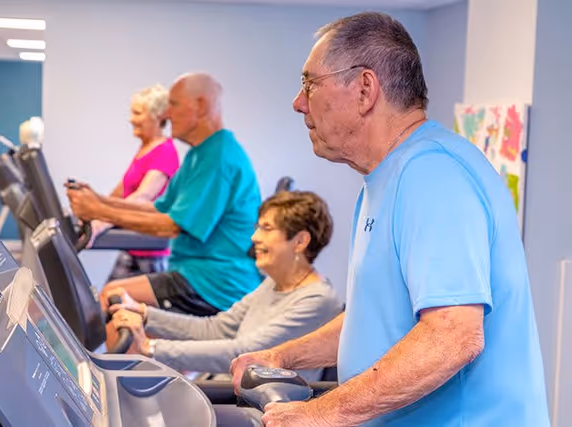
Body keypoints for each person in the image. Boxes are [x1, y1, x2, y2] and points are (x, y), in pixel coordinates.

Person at [230, 11, 550, 427]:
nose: (298, 102)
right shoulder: (384, 177)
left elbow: (452, 336)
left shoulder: (432, 173)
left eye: (309, 83)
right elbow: (377, 316)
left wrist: (320, 415)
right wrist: (283, 356)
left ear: (365, 89)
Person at [66, 72, 263, 318]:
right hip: (195, 273)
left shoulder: (219, 158)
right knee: (118, 304)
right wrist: (99, 201)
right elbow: (159, 208)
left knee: (112, 297)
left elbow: (169, 226)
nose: (166, 114)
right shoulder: (198, 154)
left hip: (216, 284)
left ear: (200, 106)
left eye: (174, 104)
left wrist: (99, 211)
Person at [106, 191, 343, 380]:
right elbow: (217, 327)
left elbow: (244, 353)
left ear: (300, 241)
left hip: (258, 408)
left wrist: (150, 348)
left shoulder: (317, 300)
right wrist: (146, 315)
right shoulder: (274, 284)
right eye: (257, 228)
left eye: (266, 229)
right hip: (224, 387)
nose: (255, 238)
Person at [85, 84, 180, 278]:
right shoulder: (145, 149)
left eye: (138, 114)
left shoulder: (165, 151)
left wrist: (104, 221)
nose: (131, 119)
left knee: (117, 302)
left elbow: (143, 196)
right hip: (132, 246)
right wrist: (91, 209)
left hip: (150, 253)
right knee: (110, 302)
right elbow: (119, 193)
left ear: (159, 116)